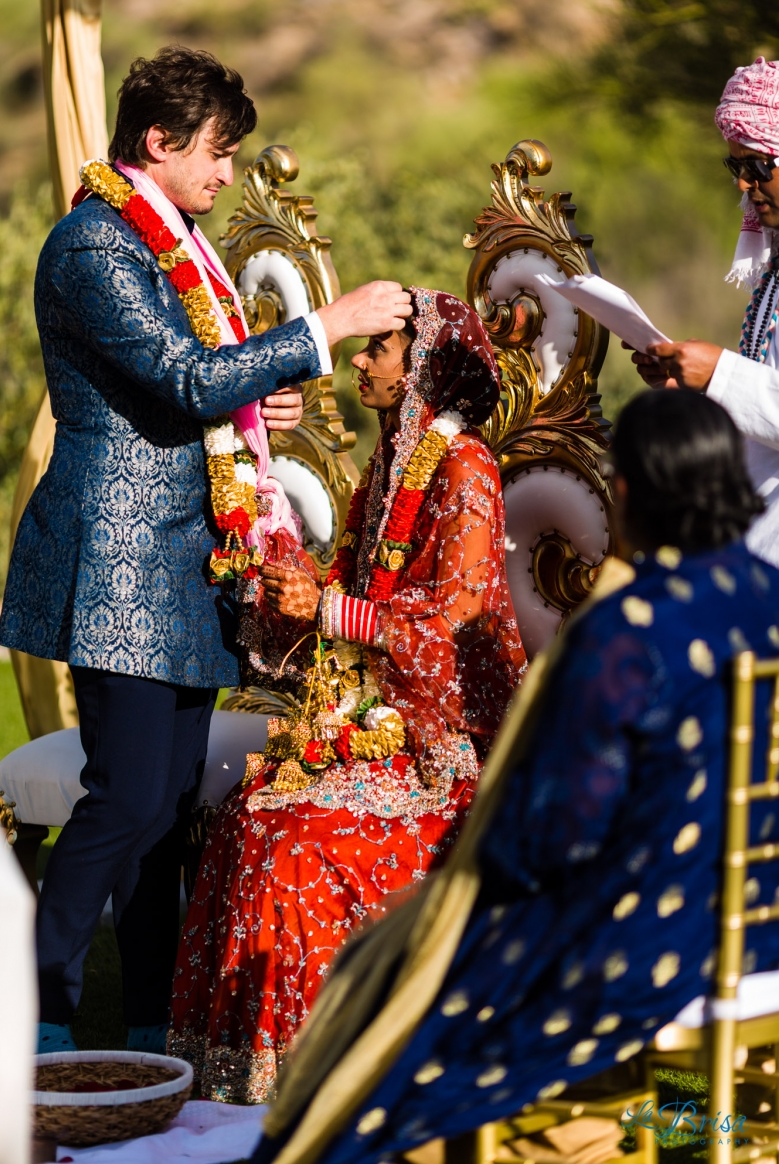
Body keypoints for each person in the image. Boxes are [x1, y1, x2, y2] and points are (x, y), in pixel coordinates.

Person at [0, 45, 412, 1056]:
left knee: (165, 807)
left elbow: (195, 384)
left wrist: (256, 393)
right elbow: (182, 380)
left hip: (184, 562)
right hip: (121, 561)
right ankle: (30, 1019)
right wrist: (327, 326)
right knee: (127, 799)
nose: (226, 174)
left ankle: (142, 1029)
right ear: (159, 142)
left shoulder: (172, 240)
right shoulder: (96, 244)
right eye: (218, 154)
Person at [246, 388, 779, 1164]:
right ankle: (689, 1131)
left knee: (383, 976)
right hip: (753, 941)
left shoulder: (626, 633)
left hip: (633, 962)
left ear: (626, 493)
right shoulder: (766, 603)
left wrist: (444, 900)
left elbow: (542, 844)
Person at [167, 288, 528, 1103]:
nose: (360, 360)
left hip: (445, 755)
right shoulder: (393, 459)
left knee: (295, 842)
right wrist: (296, 586)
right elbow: (354, 587)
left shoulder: (463, 465)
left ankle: (312, 1079)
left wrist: (331, 609)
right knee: (249, 818)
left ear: (423, 364)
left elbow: (460, 631)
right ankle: (230, 1082)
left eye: (379, 349)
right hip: (374, 723)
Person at [631, 56, 779, 569]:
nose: (744, 184)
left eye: (757, 166)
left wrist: (720, 373)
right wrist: (694, 389)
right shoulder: (774, 269)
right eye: (735, 167)